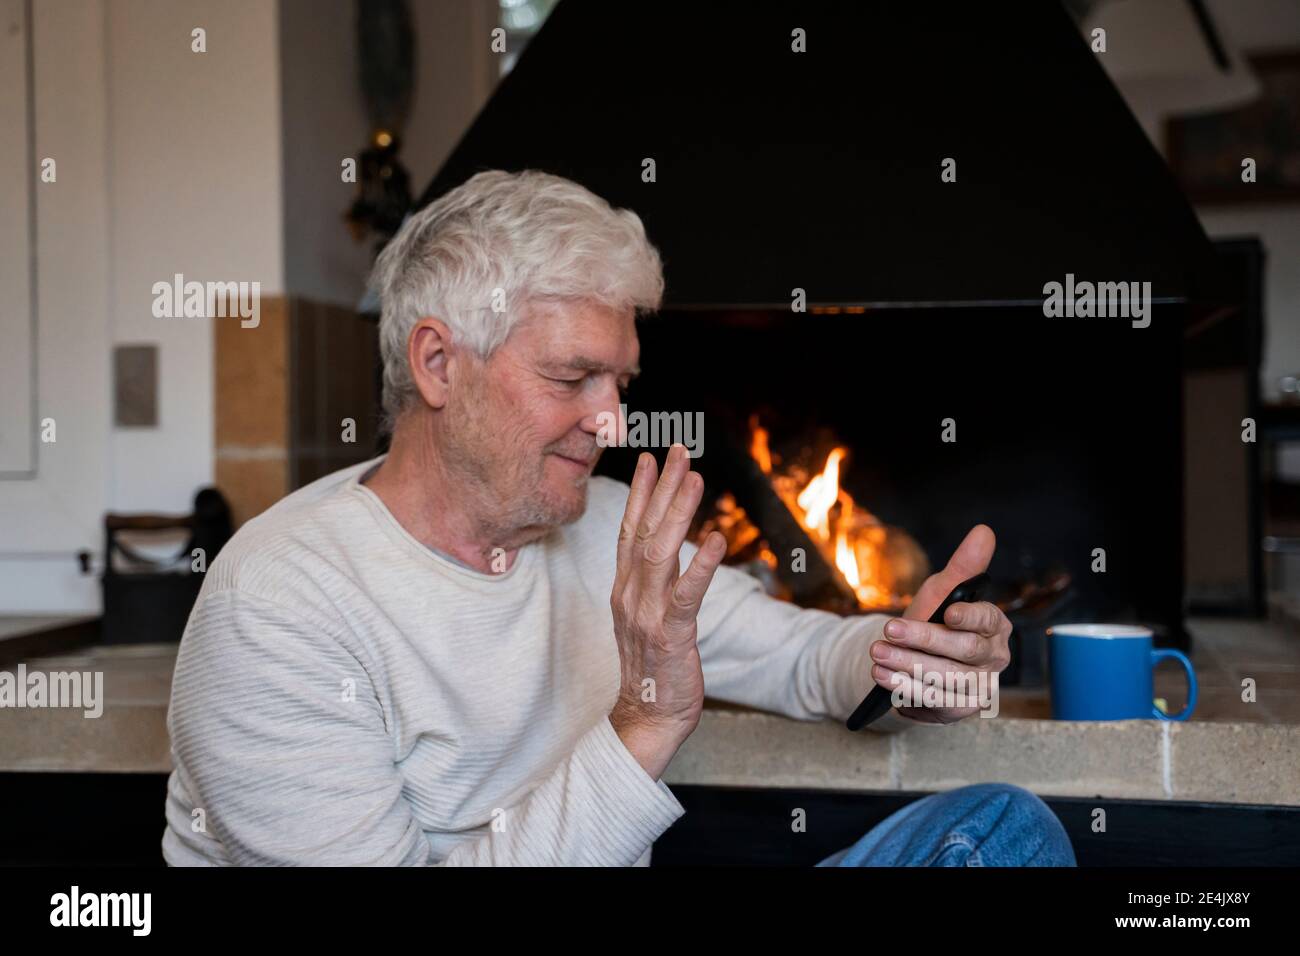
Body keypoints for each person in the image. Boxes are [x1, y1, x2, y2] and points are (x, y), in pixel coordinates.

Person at [162, 169, 1074, 867]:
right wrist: (642, 721)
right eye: (571, 378)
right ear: (439, 364)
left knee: (1000, 832)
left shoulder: (605, 527)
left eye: (621, 384)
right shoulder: (280, 603)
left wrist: (903, 660)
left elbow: (799, 657)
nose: (614, 422)